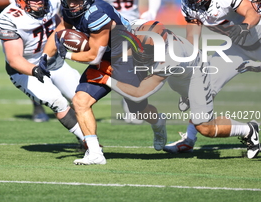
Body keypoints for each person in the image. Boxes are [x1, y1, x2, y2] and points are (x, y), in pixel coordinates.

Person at [39, 0, 166, 165]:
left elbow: (93, 56)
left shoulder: (97, 13)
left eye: (77, 0)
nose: (71, 5)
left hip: (125, 59)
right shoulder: (70, 9)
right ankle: (95, 153)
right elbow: (59, 32)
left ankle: (158, 123)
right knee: (80, 101)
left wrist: (66, 55)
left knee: (137, 108)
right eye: (68, 0)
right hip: (103, 60)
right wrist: (45, 57)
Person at [87, 19, 260, 159]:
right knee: (189, 101)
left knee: (204, 126)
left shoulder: (169, 58)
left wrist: (105, 79)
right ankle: (189, 135)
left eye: (145, 50)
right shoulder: (139, 28)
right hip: (178, 79)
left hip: (196, 75)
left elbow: (140, 93)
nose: (140, 53)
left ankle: (248, 130)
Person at [165, 0, 261, 153]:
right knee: (200, 88)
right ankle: (190, 139)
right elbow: (192, 39)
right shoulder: (189, 4)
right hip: (236, 49)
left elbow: (252, 12)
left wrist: (244, 26)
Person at [0, 0, 85, 149]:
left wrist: (63, 38)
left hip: (52, 59)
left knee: (82, 99)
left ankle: (89, 138)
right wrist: (35, 70)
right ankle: (87, 141)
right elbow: (14, 59)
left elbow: (58, 21)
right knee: (57, 101)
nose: (40, 3)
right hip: (26, 68)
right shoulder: (9, 18)